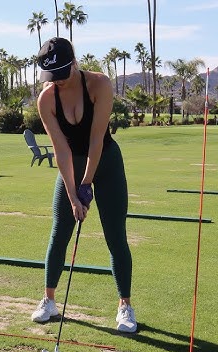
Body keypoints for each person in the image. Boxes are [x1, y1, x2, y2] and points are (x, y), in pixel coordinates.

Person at [30, 37, 137, 333]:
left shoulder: (99, 85)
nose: (58, 82)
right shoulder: (47, 99)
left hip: (107, 164)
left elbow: (96, 140)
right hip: (71, 166)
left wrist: (86, 186)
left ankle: (125, 305)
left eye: (62, 75)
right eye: (52, 78)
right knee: (60, 230)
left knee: (115, 235)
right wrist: (73, 194)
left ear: (75, 64)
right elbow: (61, 151)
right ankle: (49, 301)